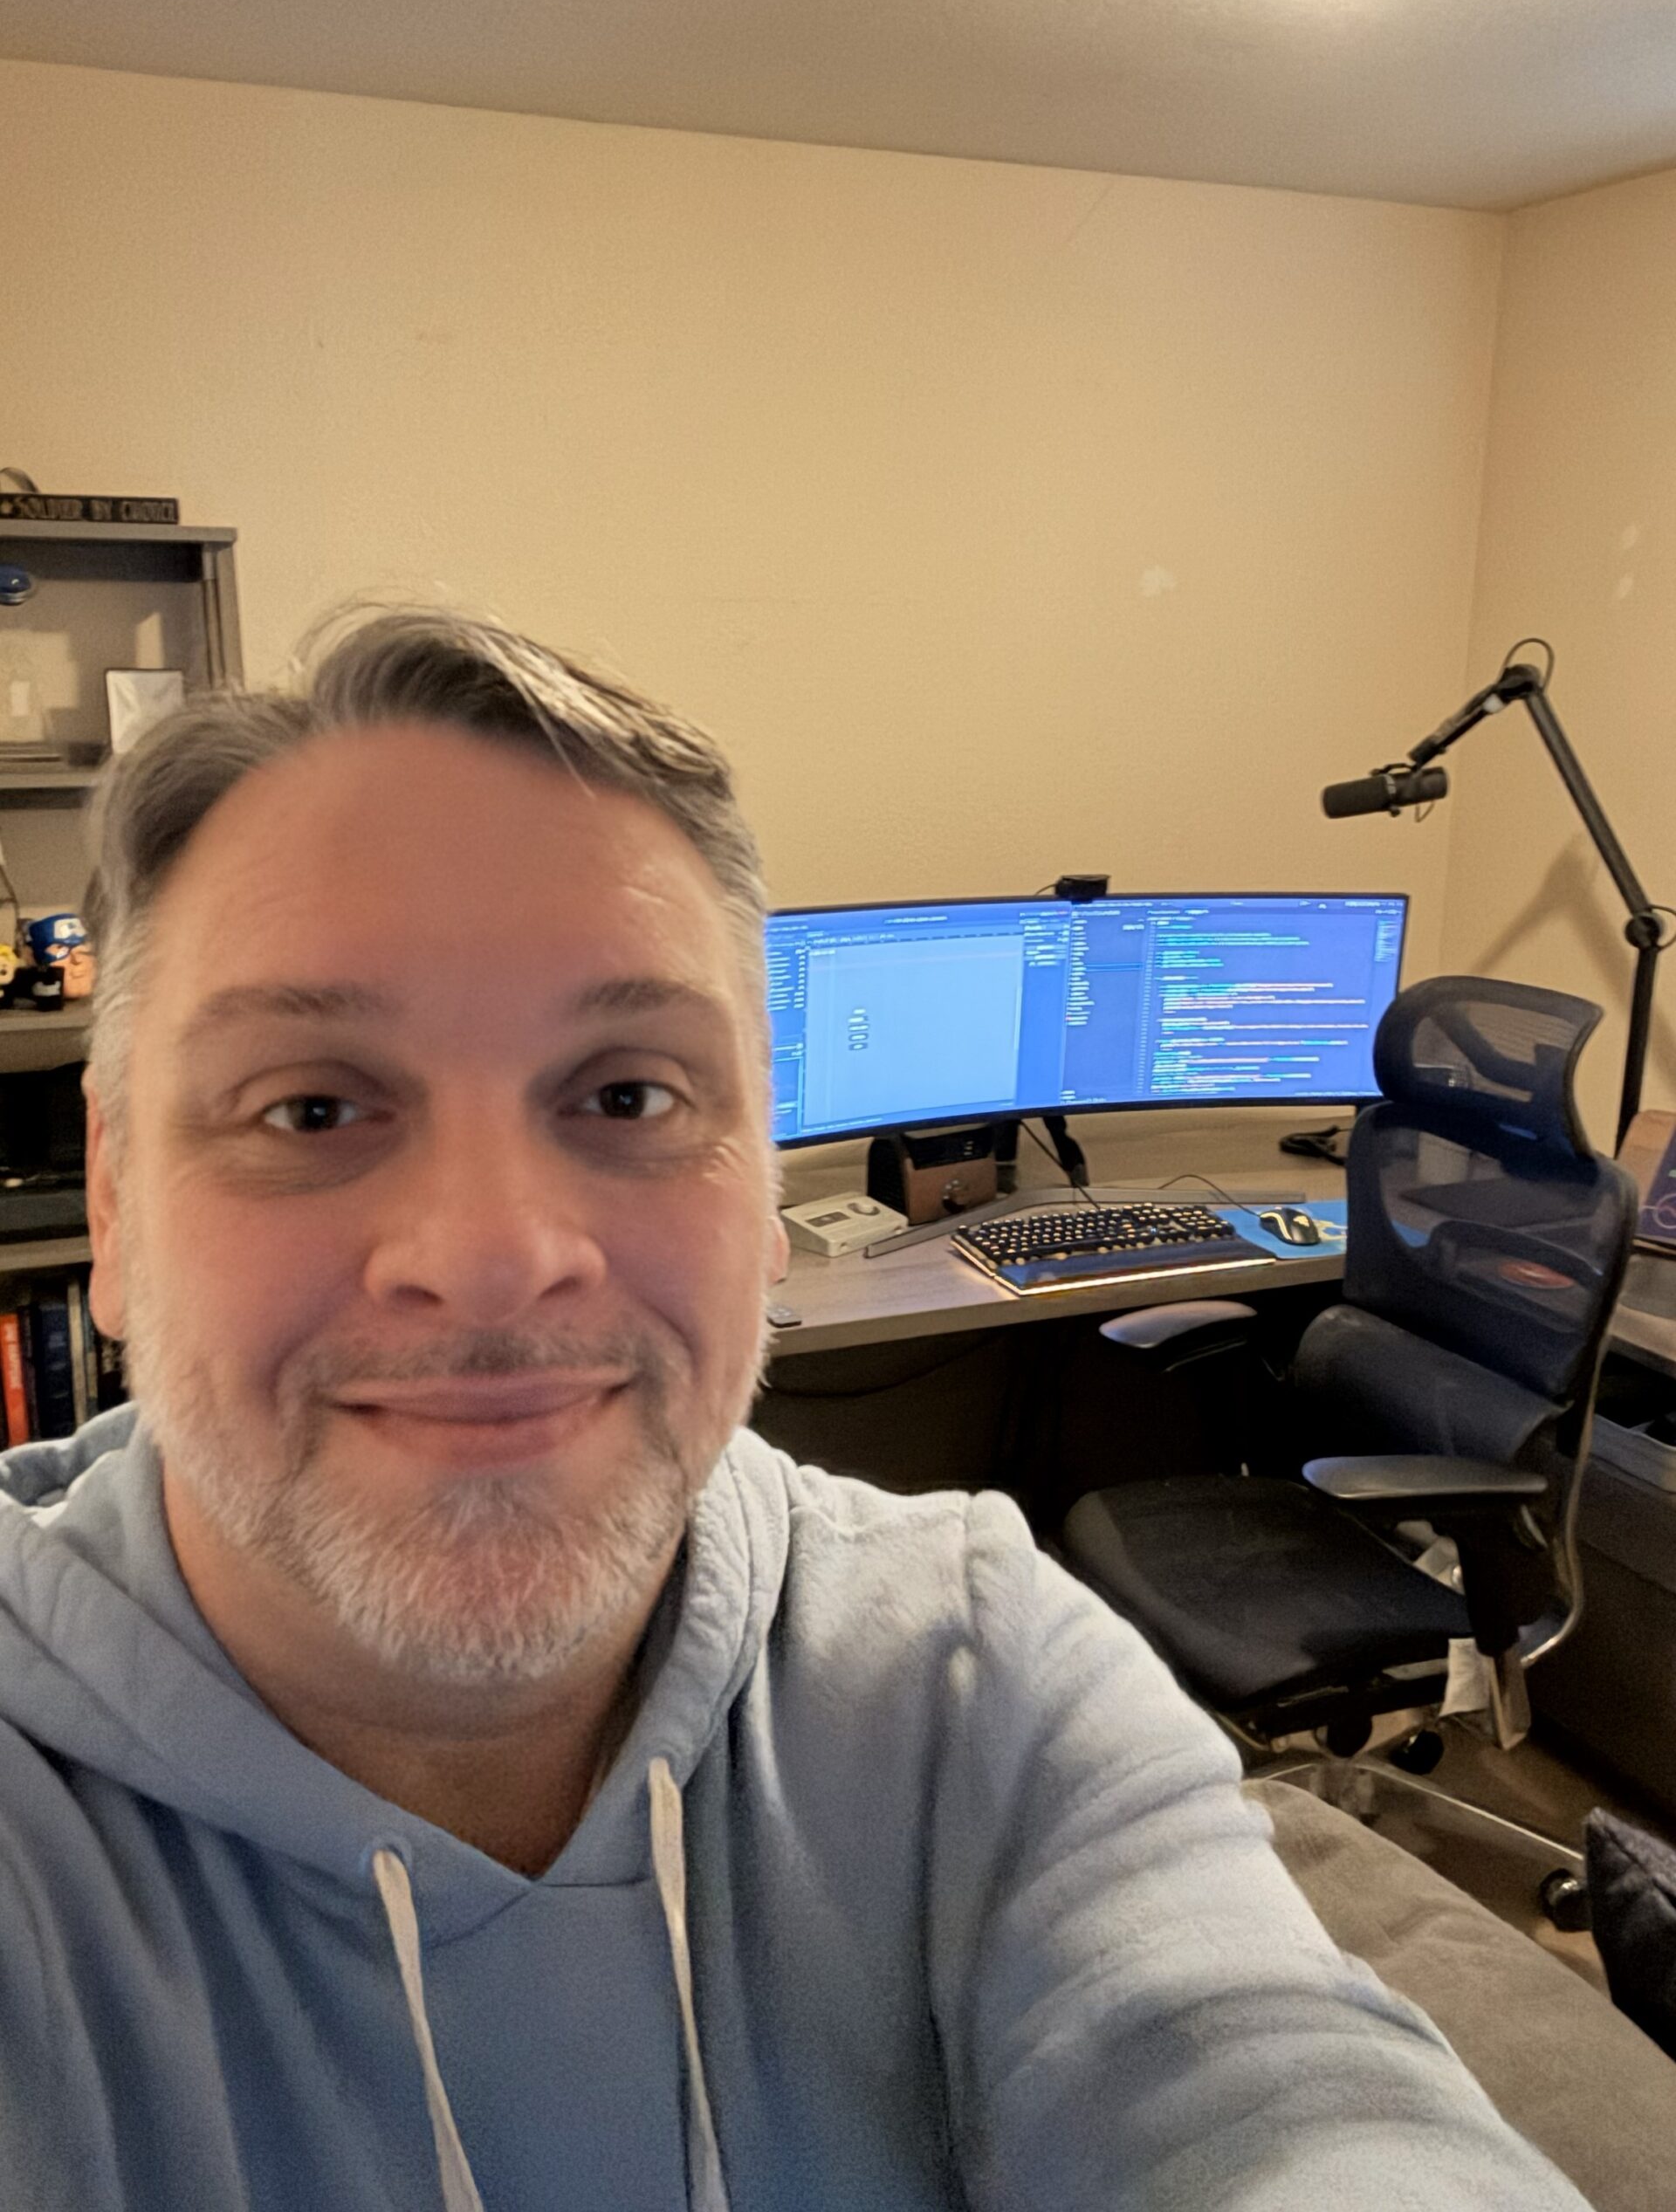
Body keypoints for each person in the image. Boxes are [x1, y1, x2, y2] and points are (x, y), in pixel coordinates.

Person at [0, 607, 1588, 2211]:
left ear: (761, 1179)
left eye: (630, 1093)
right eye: (310, 1107)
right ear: (114, 1201)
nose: (493, 1259)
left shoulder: (979, 1680)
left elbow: (1284, 2101)